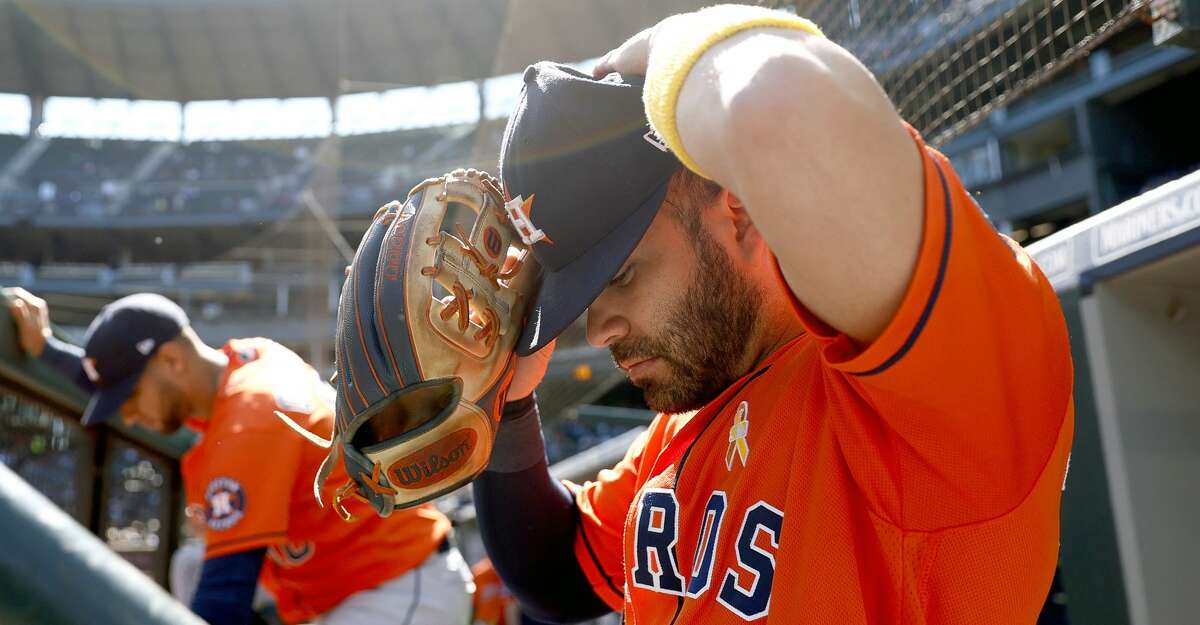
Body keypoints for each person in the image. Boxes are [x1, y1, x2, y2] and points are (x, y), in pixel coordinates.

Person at [473, 5, 1074, 625]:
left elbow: (775, 104)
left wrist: (654, 49)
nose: (598, 330)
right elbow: (557, 569)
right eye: (583, 298)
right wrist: (508, 406)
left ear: (736, 210)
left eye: (620, 276)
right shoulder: (697, 405)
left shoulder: (924, 391)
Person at [7, 289, 473, 625]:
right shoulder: (244, 363)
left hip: (400, 590)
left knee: (203, 580)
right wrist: (48, 352)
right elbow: (130, 385)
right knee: (190, 565)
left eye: (129, 397)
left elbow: (224, 598)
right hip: (343, 583)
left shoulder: (248, 420)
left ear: (171, 362)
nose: (126, 415)